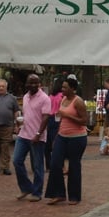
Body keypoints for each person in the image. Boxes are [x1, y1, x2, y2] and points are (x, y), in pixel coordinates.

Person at [44, 74, 89, 206]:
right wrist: (57, 136)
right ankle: (58, 193)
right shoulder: (63, 99)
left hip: (77, 138)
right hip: (62, 136)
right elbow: (62, 119)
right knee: (55, 164)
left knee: (74, 166)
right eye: (62, 87)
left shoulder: (78, 101)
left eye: (65, 87)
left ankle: (74, 196)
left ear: (73, 89)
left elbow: (84, 121)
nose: (62, 89)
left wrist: (67, 115)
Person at [14, 74, 51, 202]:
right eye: (31, 83)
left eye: (36, 83)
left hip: (37, 137)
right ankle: (26, 187)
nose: (34, 85)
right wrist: (19, 124)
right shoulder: (25, 97)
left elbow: (46, 117)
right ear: (27, 84)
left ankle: (37, 192)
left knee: (37, 166)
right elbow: (27, 115)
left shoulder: (44, 98)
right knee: (17, 161)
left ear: (40, 84)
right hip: (23, 134)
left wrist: (38, 134)